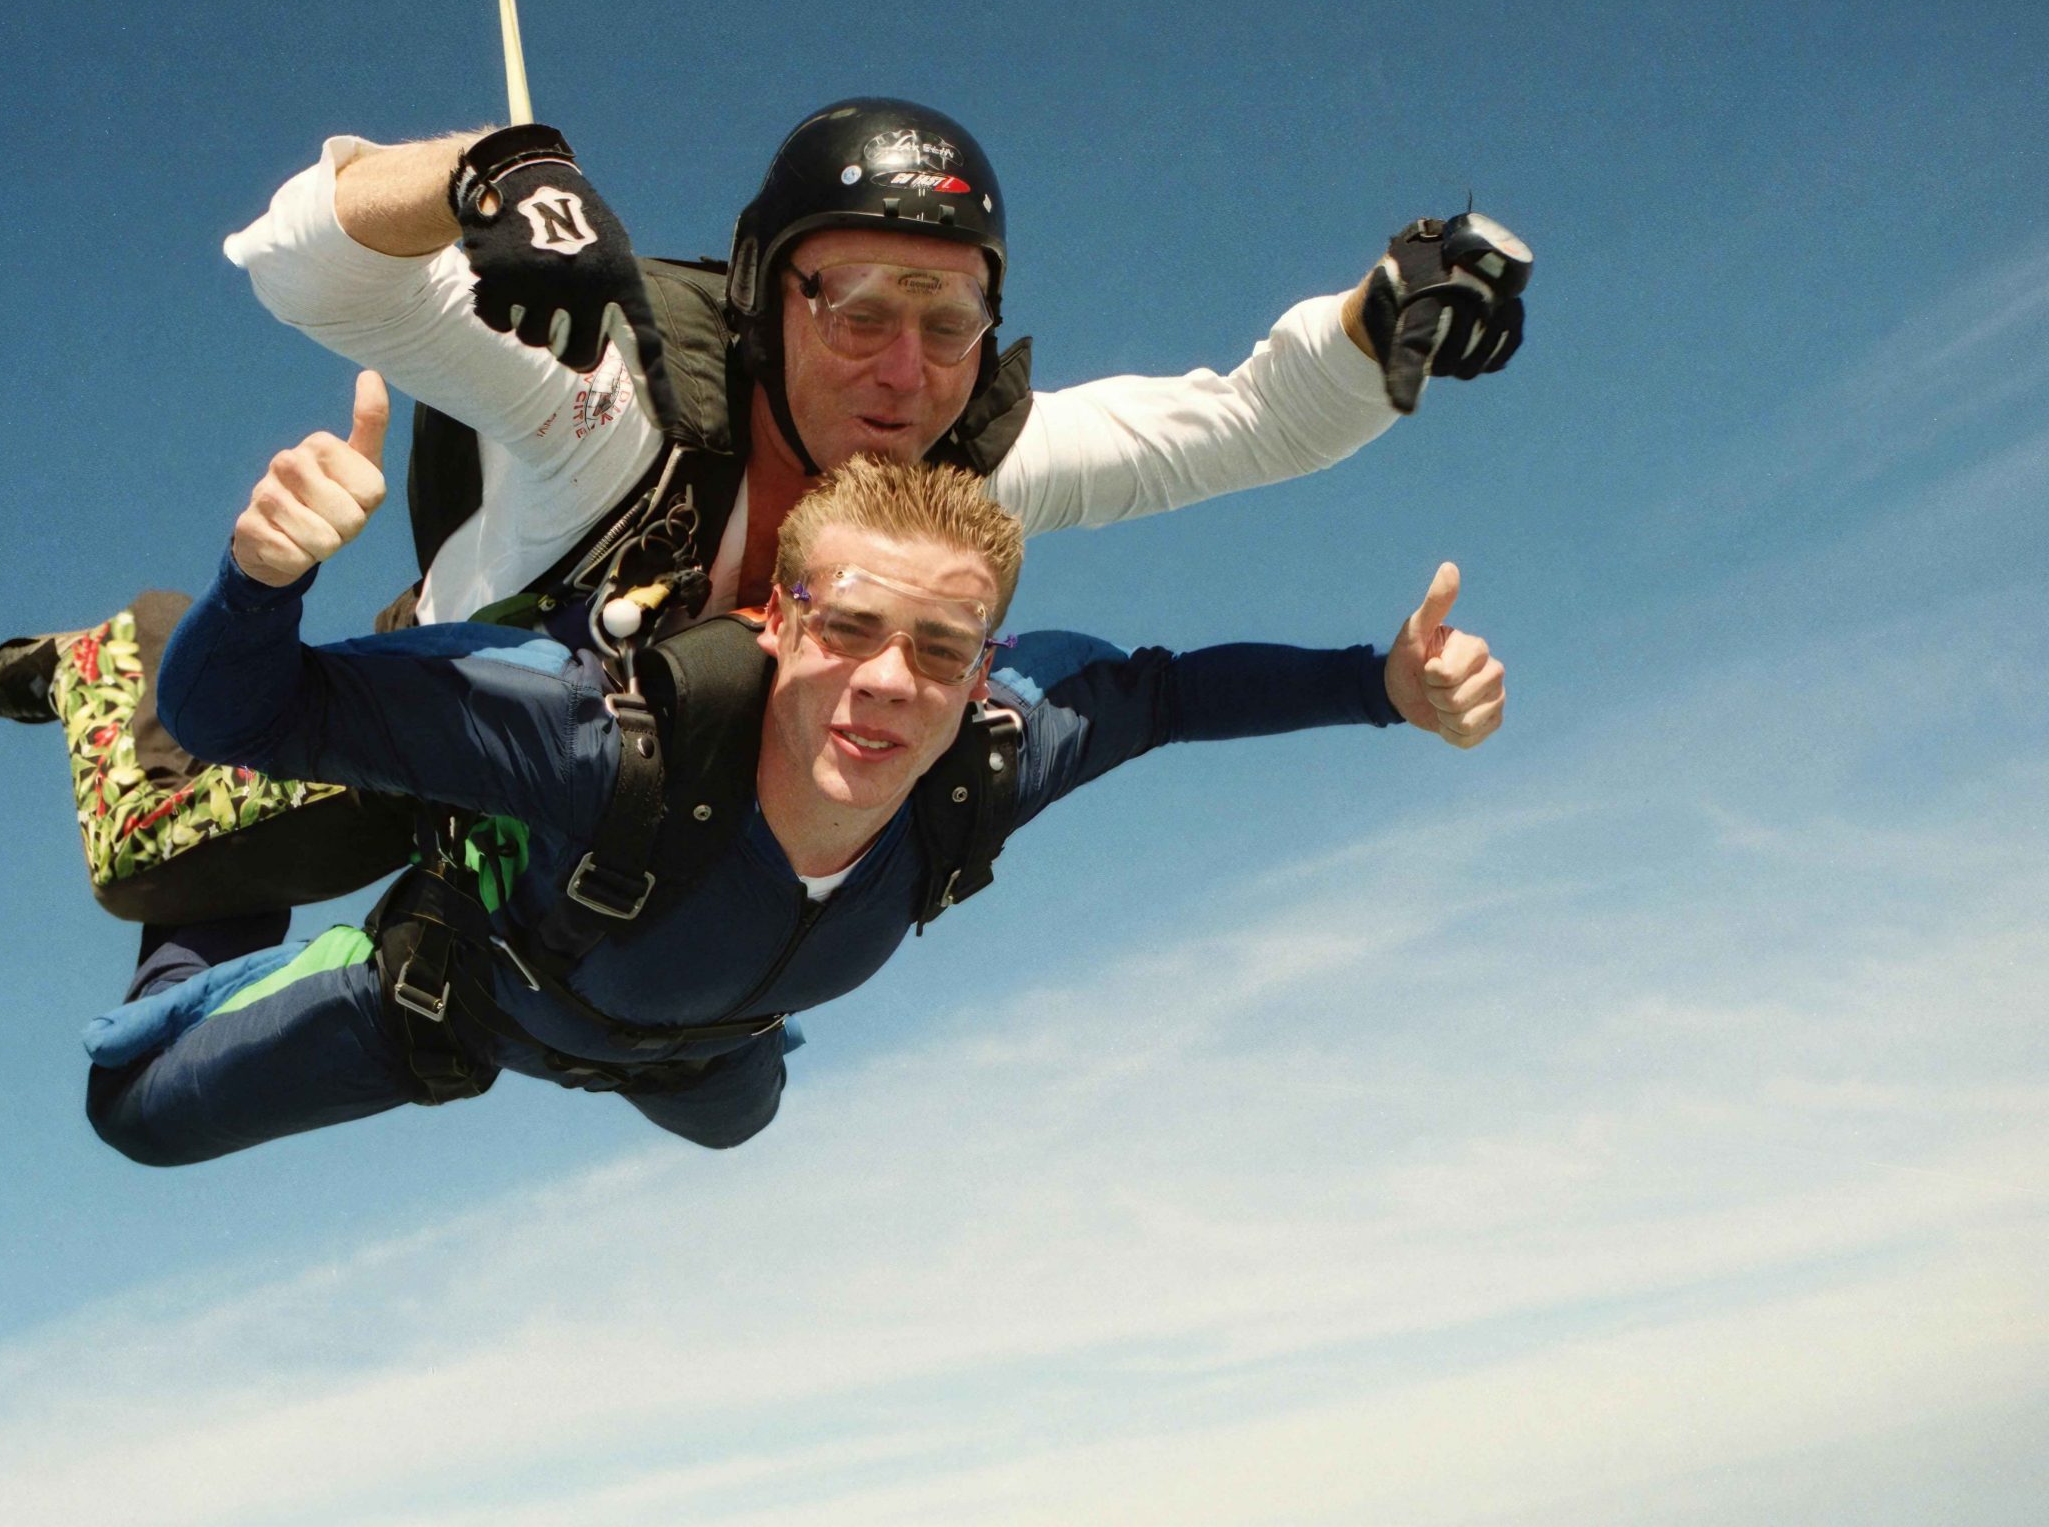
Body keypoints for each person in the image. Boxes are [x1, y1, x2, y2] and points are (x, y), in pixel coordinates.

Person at [0, 97, 1529, 925]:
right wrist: (483, 174)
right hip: (451, 711)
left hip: (634, 781)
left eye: (950, 315)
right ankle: (110, 652)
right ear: (757, 292)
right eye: (854, 302)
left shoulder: (963, 477)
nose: (905, 367)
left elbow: (1240, 425)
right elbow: (301, 264)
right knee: (166, 862)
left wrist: (1378, 317)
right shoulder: (606, 397)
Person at [81, 393, 1506, 1163]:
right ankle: (193, 852)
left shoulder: (992, 756)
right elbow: (239, 709)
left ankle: (701, 1035)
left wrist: (1379, 690)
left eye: (941, 651)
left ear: (985, 661)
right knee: (136, 1111)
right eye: (847, 630)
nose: (890, 684)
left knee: (733, 1123)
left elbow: (1176, 691)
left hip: (709, 1043)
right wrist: (261, 576)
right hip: (464, 1002)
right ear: (775, 623)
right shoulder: (599, 741)